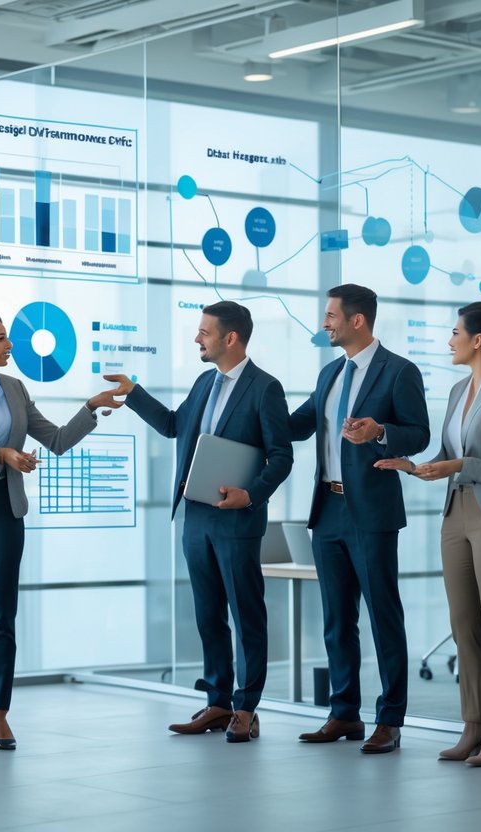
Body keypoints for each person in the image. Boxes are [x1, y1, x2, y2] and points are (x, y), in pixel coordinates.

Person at [97, 301, 293, 743]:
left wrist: (251, 494)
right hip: (196, 517)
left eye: (204, 332)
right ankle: (219, 702)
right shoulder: (204, 383)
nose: (196, 339)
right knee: (208, 615)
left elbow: (282, 457)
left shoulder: (266, 389)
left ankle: (247, 706)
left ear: (231, 338)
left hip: (237, 518)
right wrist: (134, 393)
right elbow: (172, 426)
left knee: (246, 615)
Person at [0, 309, 116, 751]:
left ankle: (0, 713)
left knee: (3, 615)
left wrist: (90, 408)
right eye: (1, 338)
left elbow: (57, 440)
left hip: (4, 510)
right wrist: (1, 456)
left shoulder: (15, 388)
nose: (10, 345)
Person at [375, 302, 481, 766]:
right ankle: (473, 726)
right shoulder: (459, 390)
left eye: (456, 331)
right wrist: (411, 466)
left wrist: (462, 465)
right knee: (464, 626)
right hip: (454, 514)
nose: (450, 339)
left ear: (477, 339)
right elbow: (446, 453)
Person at [289, 284, 429, 754]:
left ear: (357, 321)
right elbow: (298, 423)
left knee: (383, 615)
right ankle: (343, 713)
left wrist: (381, 431)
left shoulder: (398, 372)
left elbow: (420, 434)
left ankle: (390, 719)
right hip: (327, 509)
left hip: (370, 511)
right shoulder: (329, 374)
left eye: (331, 316)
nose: (324, 323)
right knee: (336, 619)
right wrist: (255, 402)